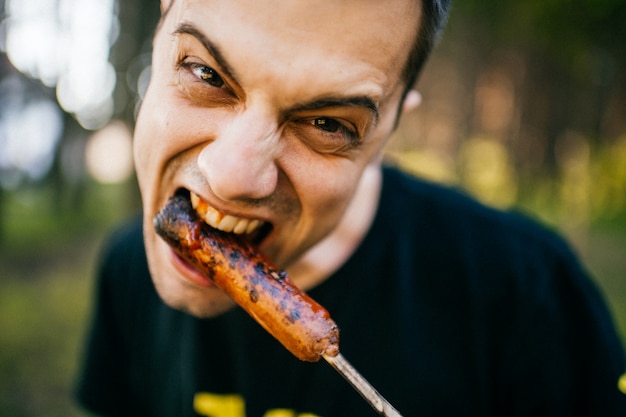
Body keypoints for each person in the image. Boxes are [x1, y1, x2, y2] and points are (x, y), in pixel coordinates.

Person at [75, 0, 626, 416]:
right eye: (205, 73)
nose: (232, 175)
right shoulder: (127, 273)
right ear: (159, 24)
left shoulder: (531, 302)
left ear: (392, 129)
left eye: (328, 123)